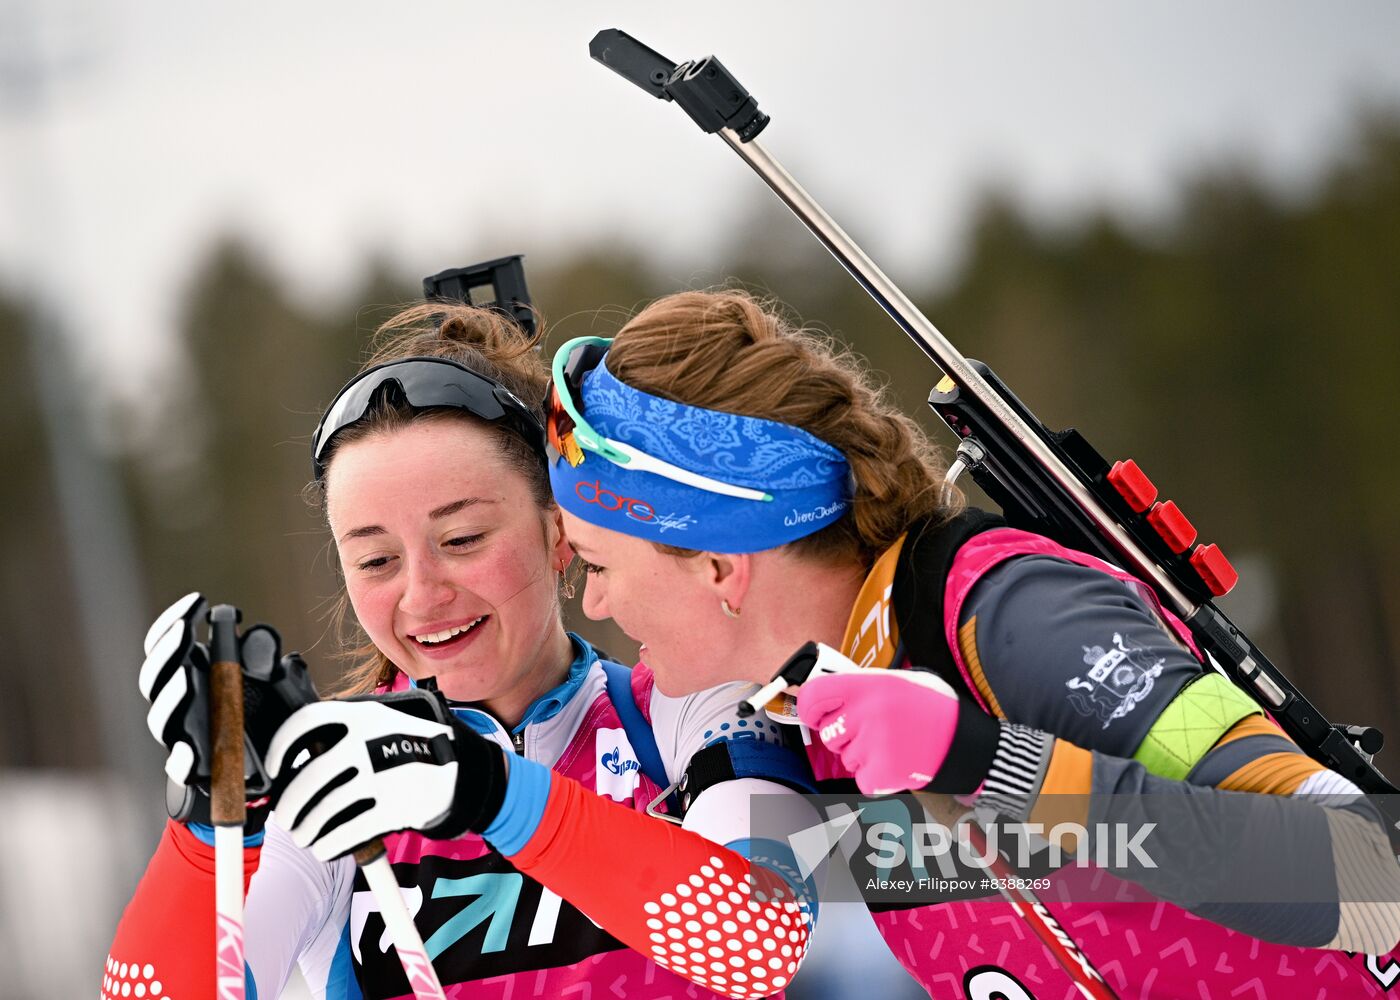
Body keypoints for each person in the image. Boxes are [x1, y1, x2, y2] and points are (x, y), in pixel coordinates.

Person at [544, 287, 1400, 999]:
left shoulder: (1011, 613)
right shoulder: (801, 710)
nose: (594, 599)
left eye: (597, 562)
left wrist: (984, 760)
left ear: (719, 564)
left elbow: (1372, 871)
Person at [103, 301, 820, 1000]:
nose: (422, 594)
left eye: (462, 540)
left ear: (559, 529)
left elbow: (765, 938)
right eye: (377, 561)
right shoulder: (334, 789)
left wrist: (490, 789)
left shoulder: (690, 703)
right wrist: (211, 821)